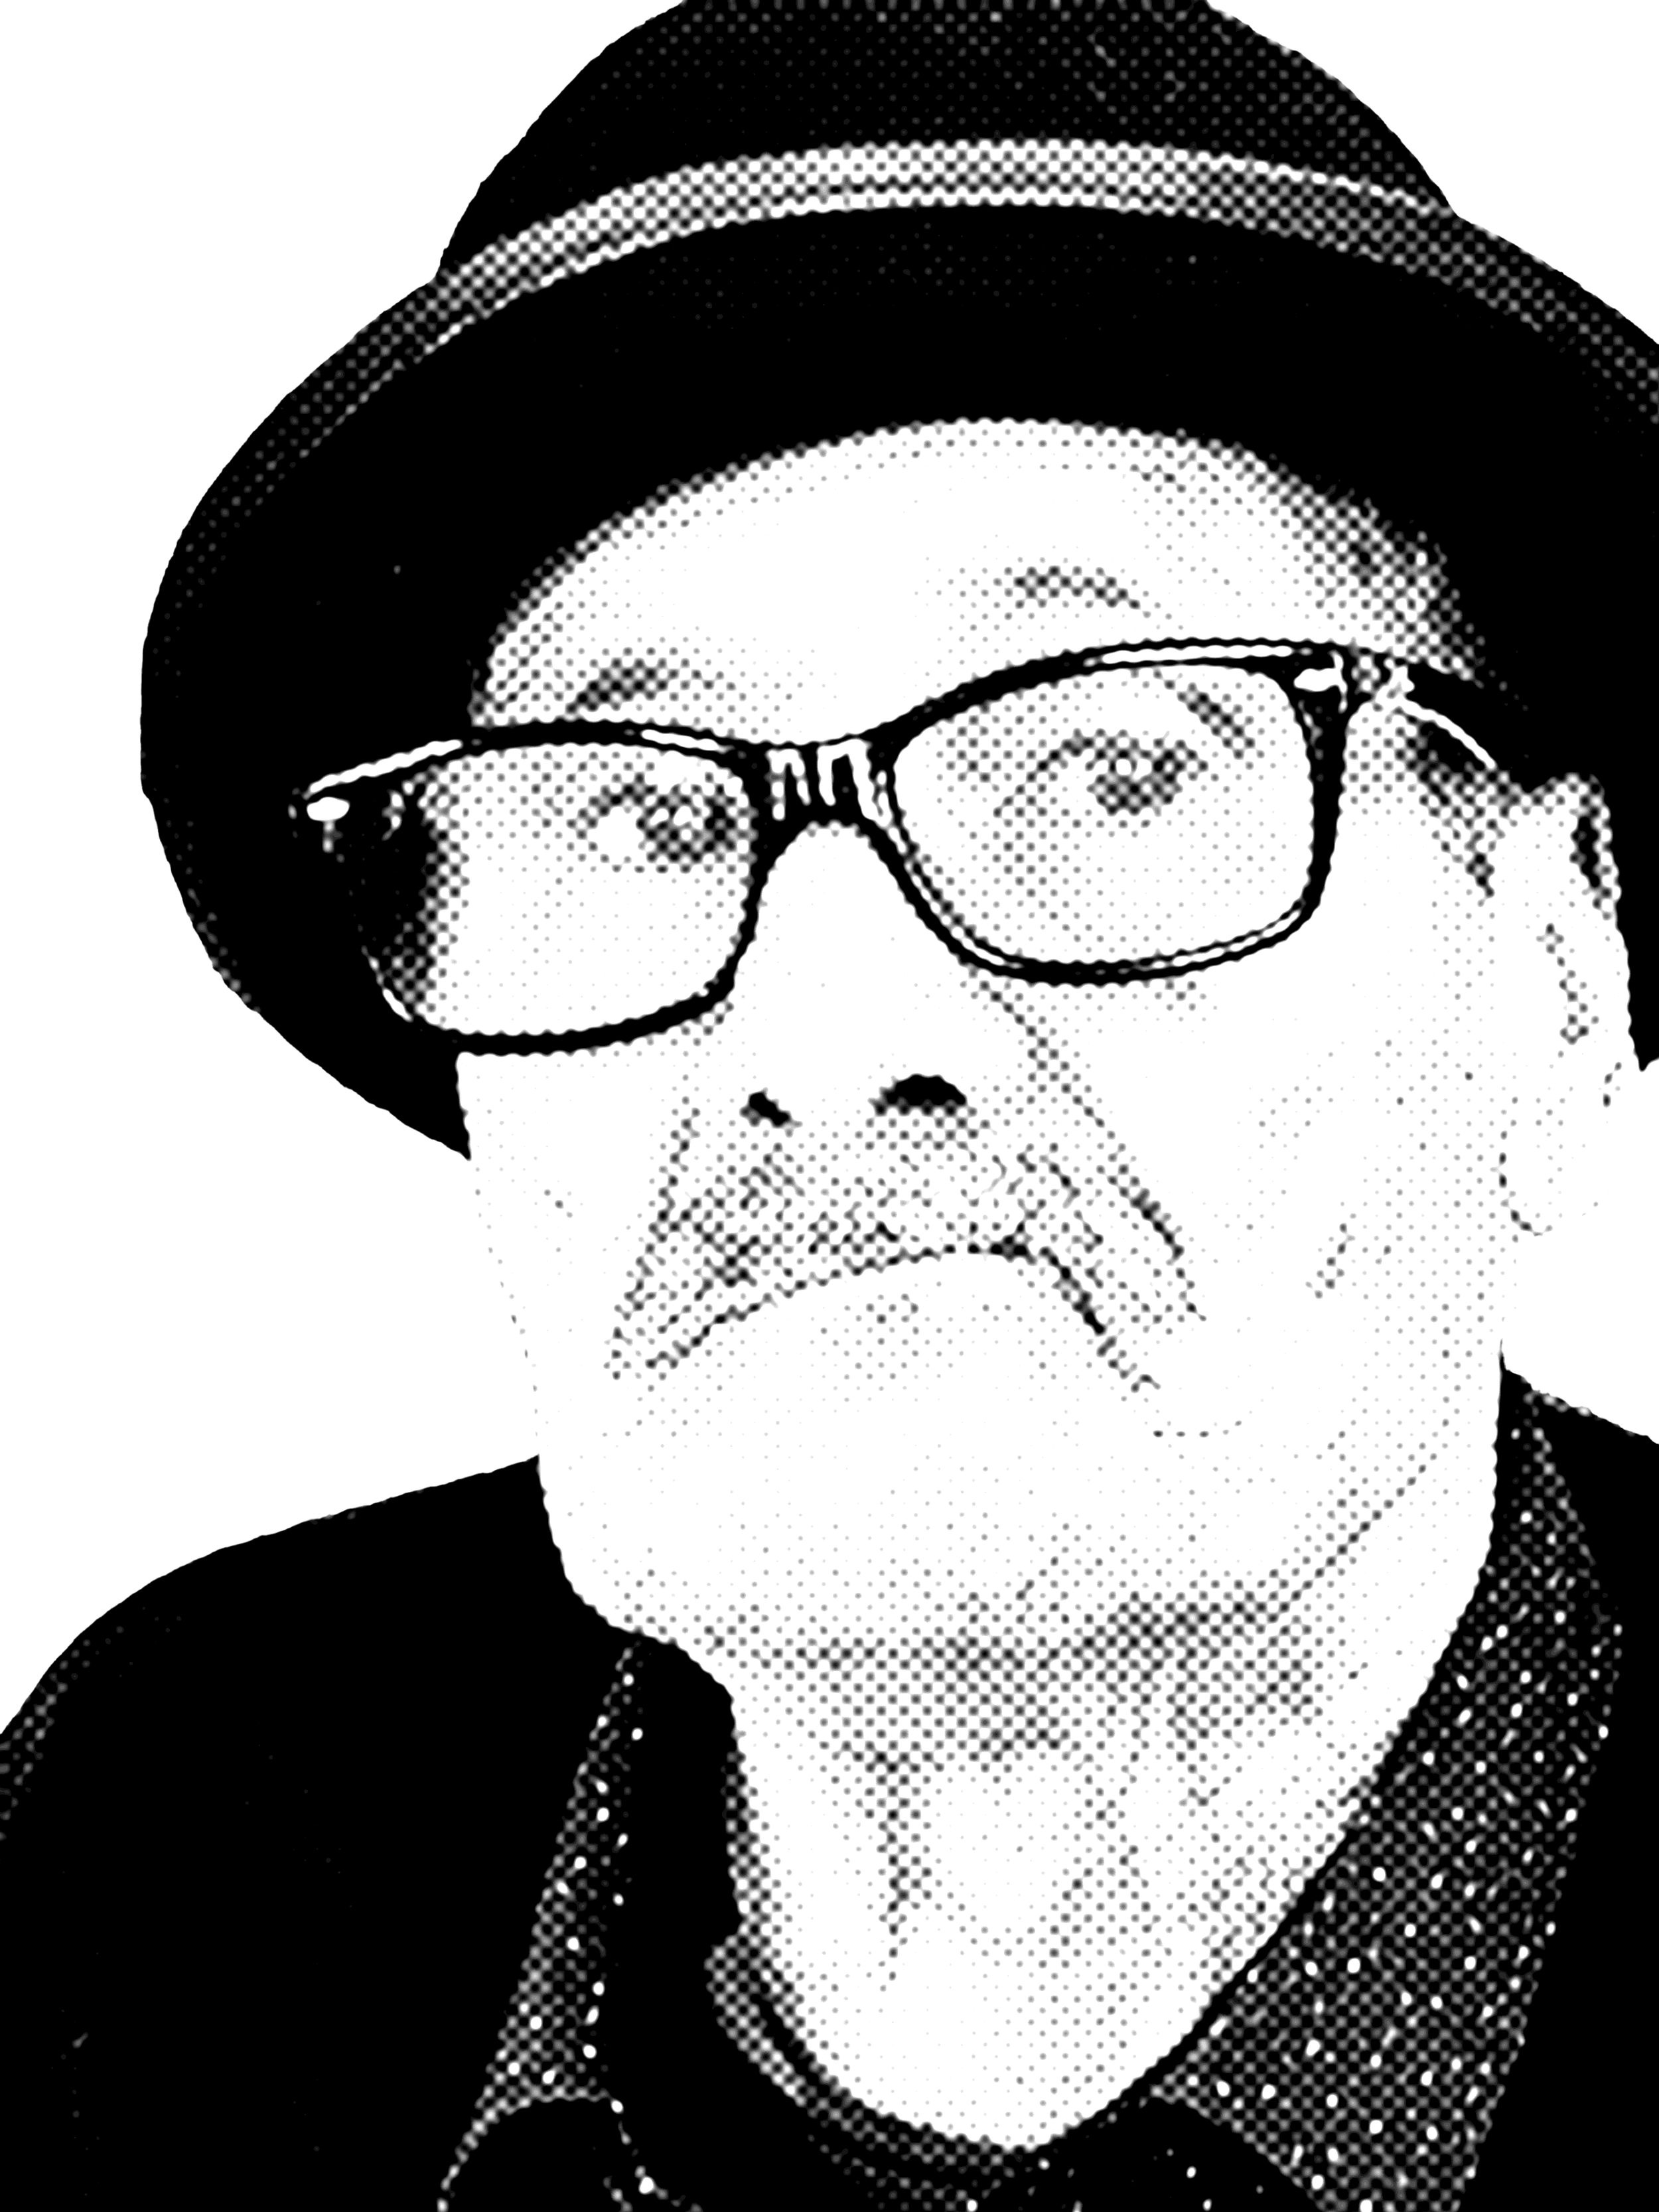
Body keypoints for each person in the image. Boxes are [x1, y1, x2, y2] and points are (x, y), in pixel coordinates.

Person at [9, 6, 1654, 2209]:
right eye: (633, 814)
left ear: (1555, 977)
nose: (827, 1022)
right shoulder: (110, 1871)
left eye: (1109, 766)